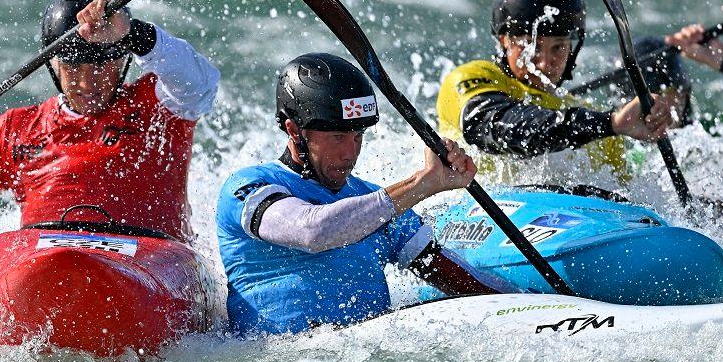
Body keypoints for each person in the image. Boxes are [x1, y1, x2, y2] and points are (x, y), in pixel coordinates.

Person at [0, 0, 220, 240]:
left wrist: (132, 33)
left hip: (149, 266)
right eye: (74, 68)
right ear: (53, 65)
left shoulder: (160, 105)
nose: (88, 81)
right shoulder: (15, 130)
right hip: (52, 270)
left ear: (122, 62)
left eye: (102, 65)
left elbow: (201, 84)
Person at [216, 52, 506, 335]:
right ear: (294, 130)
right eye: (338, 137)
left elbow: (463, 280)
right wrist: (421, 184)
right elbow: (313, 232)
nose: (349, 153)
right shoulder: (248, 187)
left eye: (358, 136)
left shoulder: (374, 200)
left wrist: (532, 300)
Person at [436, 0, 674, 183]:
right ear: (504, 40)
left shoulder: (599, 127)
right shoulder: (469, 78)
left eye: (558, 47)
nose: (543, 62)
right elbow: (497, 127)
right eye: (532, 46)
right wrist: (608, 123)